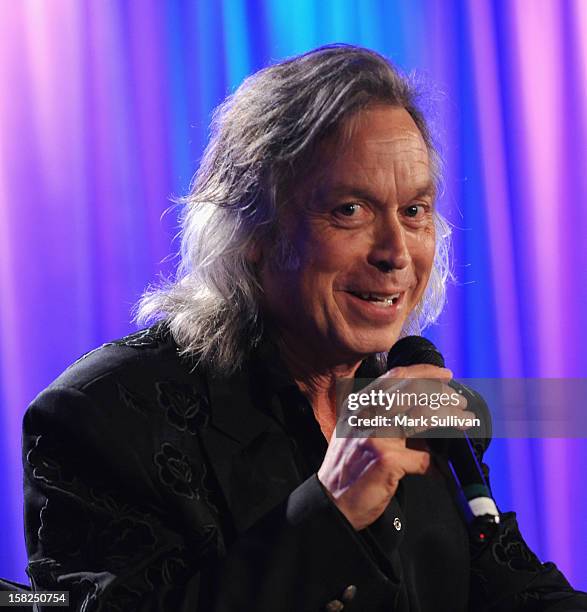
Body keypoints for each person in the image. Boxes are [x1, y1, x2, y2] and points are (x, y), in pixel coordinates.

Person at [22, 44, 587, 611]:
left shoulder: (415, 403)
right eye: (350, 209)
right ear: (253, 235)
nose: (397, 252)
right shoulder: (101, 417)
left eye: (414, 211)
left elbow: (512, 587)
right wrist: (330, 508)